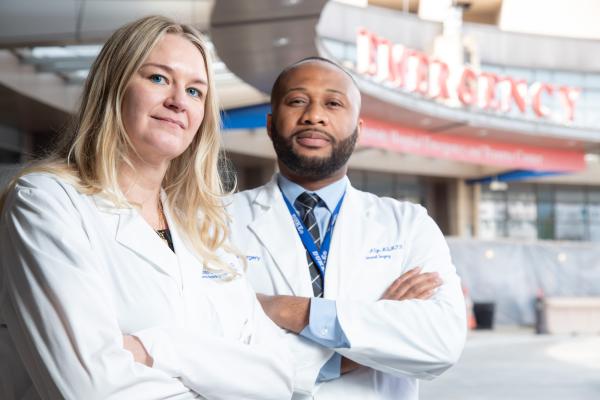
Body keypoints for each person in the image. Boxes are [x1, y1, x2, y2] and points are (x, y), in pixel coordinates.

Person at [0, 16, 322, 400]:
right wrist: (221, 374)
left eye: (195, 91)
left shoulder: (202, 228)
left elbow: (276, 378)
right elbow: (92, 387)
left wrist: (158, 349)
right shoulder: (47, 203)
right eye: (157, 78)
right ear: (114, 87)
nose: (177, 101)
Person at [228, 57, 467, 399]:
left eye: (333, 103)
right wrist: (358, 347)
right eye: (297, 101)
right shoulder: (217, 221)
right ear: (269, 124)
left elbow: (440, 343)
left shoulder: (408, 224)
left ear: (358, 129)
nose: (313, 115)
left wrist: (287, 309)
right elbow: (214, 343)